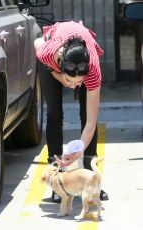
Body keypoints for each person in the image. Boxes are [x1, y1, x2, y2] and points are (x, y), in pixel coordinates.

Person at [34, 20, 108, 202]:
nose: (74, 86)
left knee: (87, 114)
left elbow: (91, 122)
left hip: (79, 50)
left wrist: (78, 151)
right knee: (54, 114)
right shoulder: (49, 53)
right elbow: (37, 42)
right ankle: (56, 181)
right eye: (71, 81)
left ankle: (92, 179)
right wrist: (56, 73)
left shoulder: (93, 72)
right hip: (53, 66)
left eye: (78, 82)